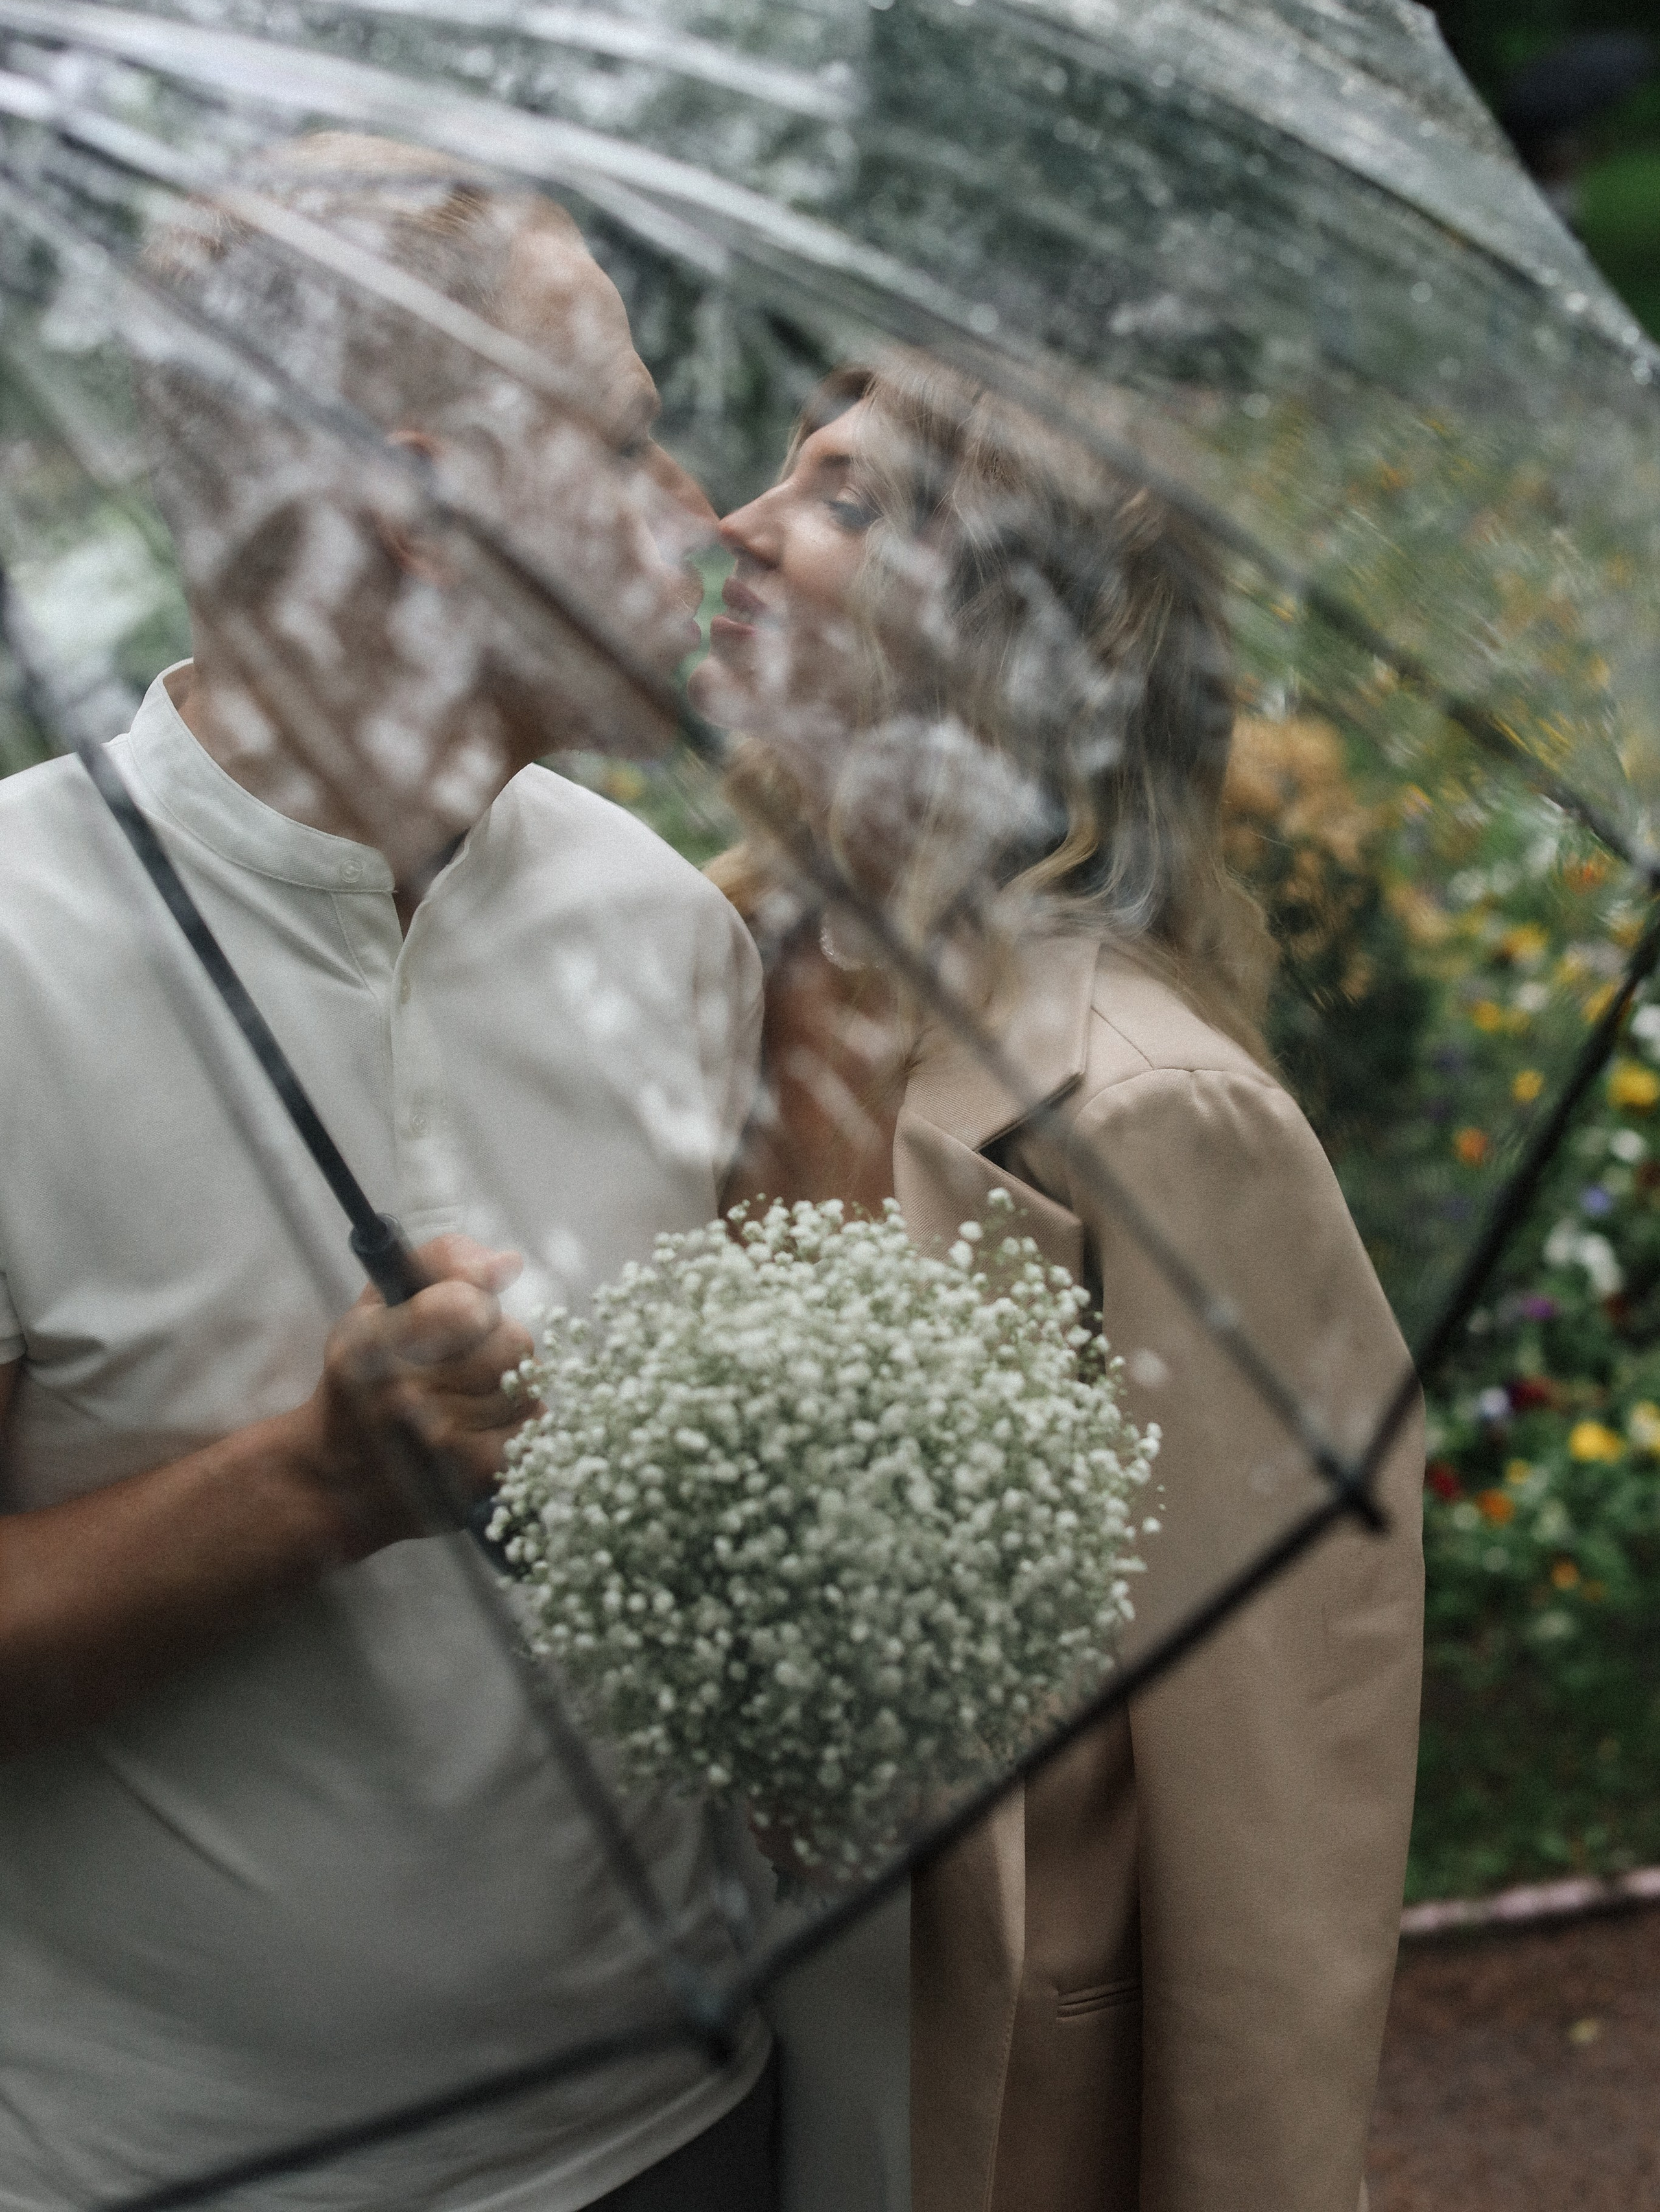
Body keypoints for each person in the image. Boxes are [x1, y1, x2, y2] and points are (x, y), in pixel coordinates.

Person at [0, 136, 777, 2212]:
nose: (701, 513)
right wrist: (315, 1489)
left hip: (685, 2129)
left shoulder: (666, 924)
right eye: (625, 444)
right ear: (428, 511)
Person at [693, 358, 1425, 2212]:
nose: (739, 524)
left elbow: (1276, 1816)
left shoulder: (1153, 1112)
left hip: (972, 2087)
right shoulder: (690, 972)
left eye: (847, 501)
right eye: (786, 470)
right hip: (680, 2060)